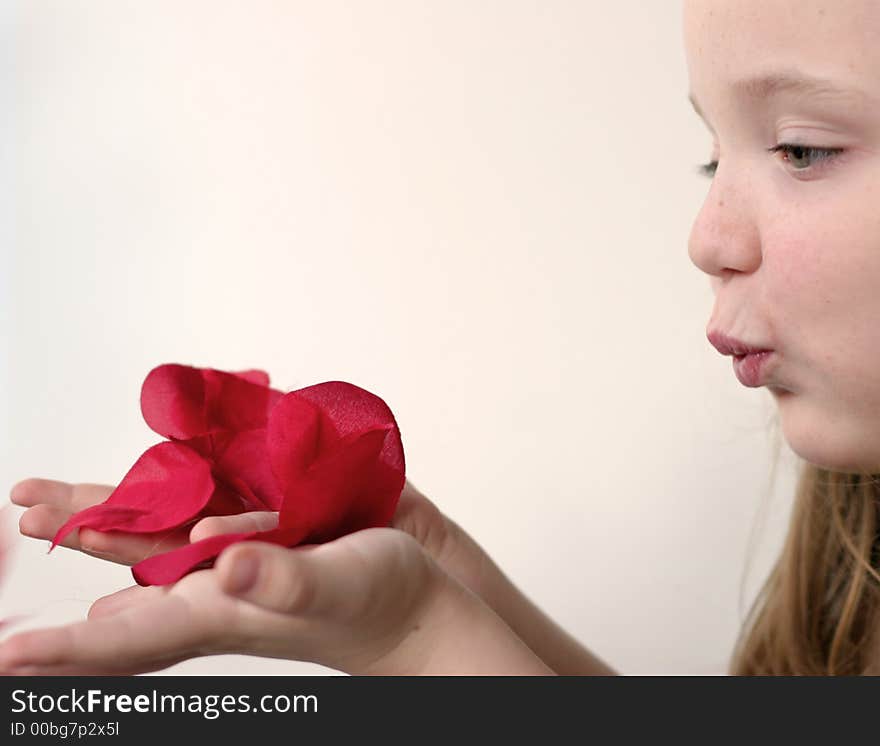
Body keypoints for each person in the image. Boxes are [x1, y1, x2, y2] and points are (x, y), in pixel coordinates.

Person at [3, 0, 880, 675]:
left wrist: (420, 641)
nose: (706, 238)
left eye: (801, 149)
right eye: (712, 154)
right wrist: (444, 576)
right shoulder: (850, 541)